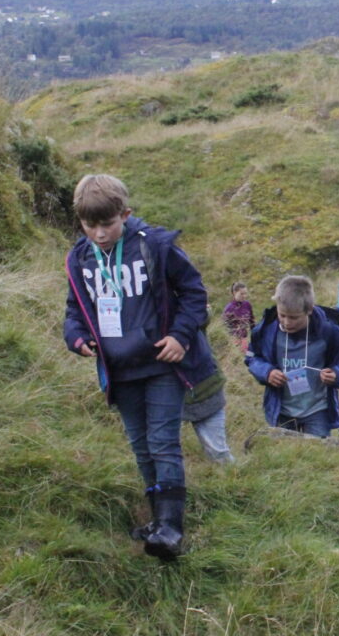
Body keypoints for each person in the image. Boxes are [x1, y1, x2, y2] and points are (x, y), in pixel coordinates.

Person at [62, 173, 217, 561]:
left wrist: (181, 336)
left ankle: (171, 528)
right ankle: (155, 521)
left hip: (162, 366)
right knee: (141, 447)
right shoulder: (79, 260)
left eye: (107, 224)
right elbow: (74, 310)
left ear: (126, 214)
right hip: (119, 371)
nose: (98, 234)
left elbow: (194, 294)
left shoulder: (156, 247)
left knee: (163, 441)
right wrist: (78, 338)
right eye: (89, 225)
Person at [246, 276, 339, 438]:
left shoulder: (330, 330)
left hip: (318, 410)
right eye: (282, 315)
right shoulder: (267, 328)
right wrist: (267, 372)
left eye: (294, 317)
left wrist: (337, 373)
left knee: (316, 458)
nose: (286, 322)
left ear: (309, 310)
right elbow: (252, 357)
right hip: (281, 410)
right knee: (284, 460)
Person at [222, 282, 254, 350]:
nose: (244, 296)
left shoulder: (247, 304)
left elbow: (252, 321)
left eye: (245, 293)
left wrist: (256, 334)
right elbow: (225, 326)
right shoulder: (229, 308)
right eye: (241, 294)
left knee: (251, 355)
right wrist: (235, 339)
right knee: (246, 355)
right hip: (234, 340)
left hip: (245, 339)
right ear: (234, 293)